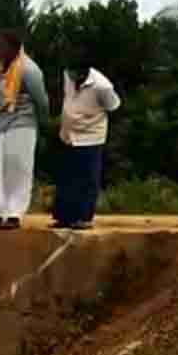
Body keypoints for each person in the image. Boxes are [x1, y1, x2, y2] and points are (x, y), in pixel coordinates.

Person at [0, 29, 49, 230]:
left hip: (21, 123)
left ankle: (14, 214)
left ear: (14, 47)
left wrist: (43, 126)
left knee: (17, 168)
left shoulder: (29, 69)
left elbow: (41, 101)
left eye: (1, 45)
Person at [52, 57, 121, 230]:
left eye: (76, 71)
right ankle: (64, 217)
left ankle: (83, 217)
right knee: (67, 177)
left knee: (87, 178)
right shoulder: (67, 75)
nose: (71, 74)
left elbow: (113, 105)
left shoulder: (102, 86)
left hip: (90, 136)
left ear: (85, 71)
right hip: (68, 133)